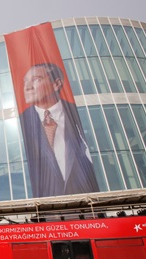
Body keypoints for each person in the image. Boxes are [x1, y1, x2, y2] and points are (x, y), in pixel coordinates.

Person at [19, 63, 99, 198]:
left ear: (56, 84)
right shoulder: (21, 122)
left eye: (36, 80)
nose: (27, 87)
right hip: (46, 210)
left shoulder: (79, 114)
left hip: (89, 205)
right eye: (25, 82)